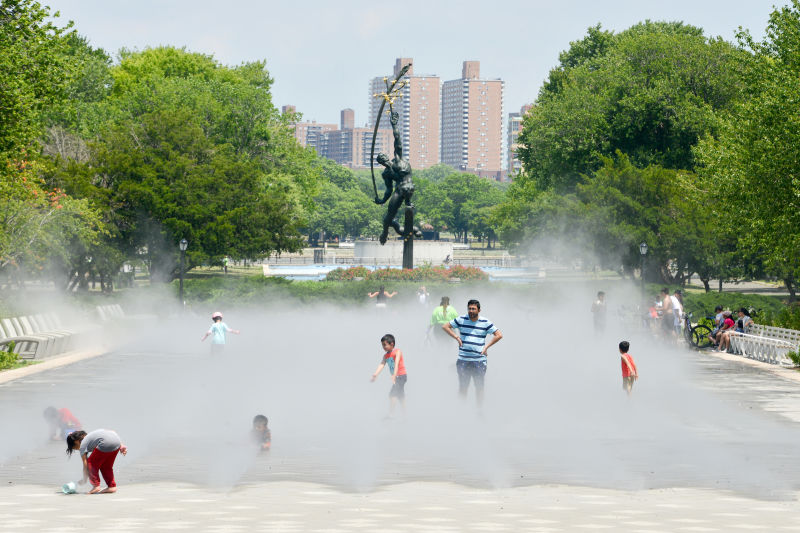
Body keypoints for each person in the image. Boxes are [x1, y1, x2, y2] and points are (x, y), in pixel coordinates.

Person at [442, 299, 503, 406]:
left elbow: (499, 335)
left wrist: (486, 347)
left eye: (473, 309)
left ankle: (479, 410)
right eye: (469, 308)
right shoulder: (462, 319)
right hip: (463, 360)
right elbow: (445, 326)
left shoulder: (485, 322)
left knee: (479, 387)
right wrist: (456, 337)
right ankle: (462, 409)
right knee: (463, 386)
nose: (471, 311)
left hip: (479, 361)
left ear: (479, 310)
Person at [66, 429, 127, 494]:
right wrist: (121, 445)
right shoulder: (92, 437)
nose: (77, 449)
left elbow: (85, 464)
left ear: (76, 442)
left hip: (105, 443)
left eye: (74, 448)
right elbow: (112, 433)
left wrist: (84, 479)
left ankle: (96, 486)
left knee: (91, 463)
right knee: (106, 466)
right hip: (117, 442)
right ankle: (111, 486)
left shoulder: (83, 445)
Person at [370, 333, 407, 415]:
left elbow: (396, 363)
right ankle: (405, 415)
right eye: (382, 345)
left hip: (401, 376)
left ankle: (391, 415)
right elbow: (382, 364)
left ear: (392, 344)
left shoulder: (397, 352)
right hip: (396, 377)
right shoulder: (385, 356)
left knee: (392, 395)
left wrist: (394, 374)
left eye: (385, 345)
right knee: (400, 396)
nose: (383, 347)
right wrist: (375, 374)